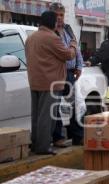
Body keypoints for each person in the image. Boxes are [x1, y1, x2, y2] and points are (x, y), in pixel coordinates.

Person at [25, 11, 77, 155]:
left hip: (35, 81)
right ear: (52, 23)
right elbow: (68, 55)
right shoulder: (52, 38)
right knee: (47, 116)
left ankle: (35, 144)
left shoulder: (31, 38)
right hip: (50, 82)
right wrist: (73, 43)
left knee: (36, 116)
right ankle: (43, 147)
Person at [49, 2, 85, 146]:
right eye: (56, 15)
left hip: (70, 73)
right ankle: (57, 137)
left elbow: (76, 49)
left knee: (73, 105)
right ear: (51, 15)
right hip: (57, 72)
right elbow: (65, 52)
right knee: (55, 106)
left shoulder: (68, 29)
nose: (59, 18)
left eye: (61, 15)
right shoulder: (49, 32)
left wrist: (79, 65)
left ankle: (77, 136)